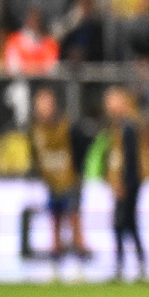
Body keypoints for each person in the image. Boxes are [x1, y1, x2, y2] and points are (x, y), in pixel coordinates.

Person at [28, 87, 87, 272]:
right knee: (54, 218)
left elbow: (80, 150)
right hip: (50, 180)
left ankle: (80, 259)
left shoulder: (67, 126)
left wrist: (78, 172)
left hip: (70, 178)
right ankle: (56, 259)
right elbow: (35, 155)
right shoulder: (34, 130)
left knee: (74, 216)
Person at [99, 87, 149, 282]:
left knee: (123, 222)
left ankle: (127, 266)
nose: (108, 105)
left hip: (129, 182)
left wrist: (122, 183)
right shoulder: (119, 125)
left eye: (111, 101)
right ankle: (136, 265)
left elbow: (128, 158)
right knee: (127, 223)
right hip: (126, 181)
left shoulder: (128, 126)